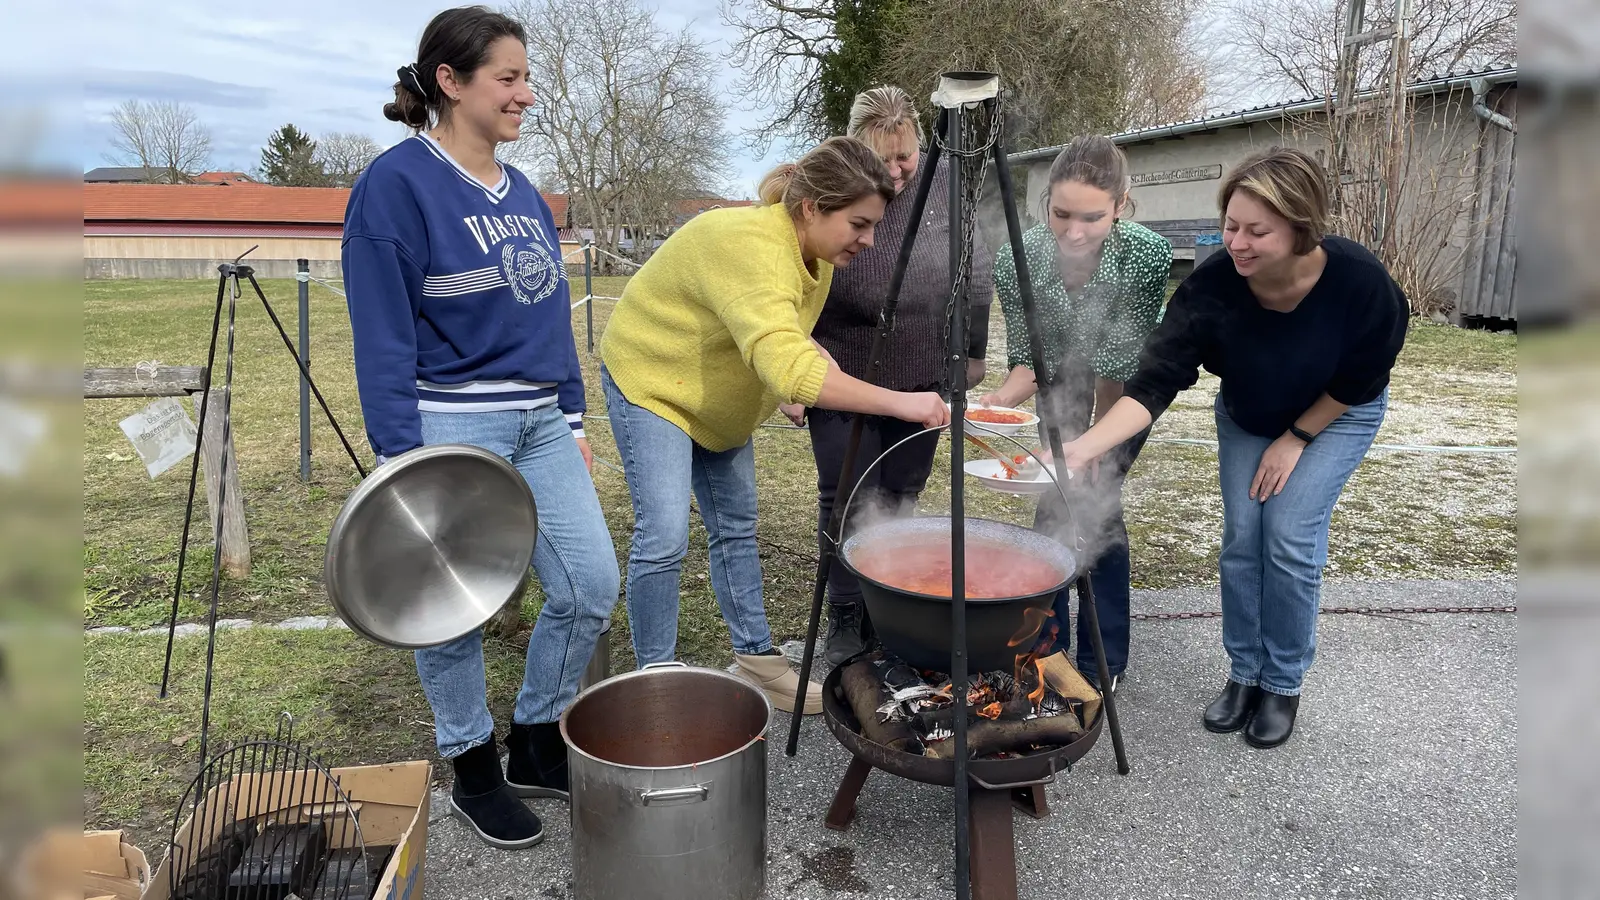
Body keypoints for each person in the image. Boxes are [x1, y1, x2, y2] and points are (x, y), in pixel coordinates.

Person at [341, 5, 619, 850]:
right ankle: (472, 767)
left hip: (539, 421)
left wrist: (571, 413)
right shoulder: (396, 186)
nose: (527, 94)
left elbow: (547, 316)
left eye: (527, 77)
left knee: (588, 586)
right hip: (450, 427)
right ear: (450, 82)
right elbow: (382, 335)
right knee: (451, 608)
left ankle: (536, 740)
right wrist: (401, 457)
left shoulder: (524, 191)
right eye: (509, 76)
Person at [1052, 147, 1408, 749]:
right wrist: (1084, 448)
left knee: (1289, 535)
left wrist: (1296, 438)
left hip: (1336, 413)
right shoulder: (1214, 285)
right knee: (1244, 537)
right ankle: (1245, 674)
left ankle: (1283, 683)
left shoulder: (1360, 283)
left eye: (1257, 231)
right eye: (1231, 226)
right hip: (1249, 413)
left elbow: (1362, 378)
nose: (1236, 243)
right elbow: (1156, 379)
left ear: (1301, 227)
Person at [598, 136, 951, 714]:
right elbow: (785, 364)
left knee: (736, 527)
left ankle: (758, 663)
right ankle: (654, 680)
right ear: (811, 206)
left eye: (873, 227)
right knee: (664, 536)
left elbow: (775, 322)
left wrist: (812, 354)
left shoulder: (813, 255)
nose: (868, 241)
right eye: (858, 225)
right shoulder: (750, 244)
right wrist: (903, 402)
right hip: (654, 381)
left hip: (717, 395)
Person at [785, 85, 993, 666]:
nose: (897, 171)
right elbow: (791, 279)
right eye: (883, 158)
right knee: (846, 496)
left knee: (901, 494)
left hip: (922, 372)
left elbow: (975, 269)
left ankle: (888, 601)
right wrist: (794, 371)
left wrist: (971, 354)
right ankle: (846, 610)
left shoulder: (946, 185)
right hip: (843, 371)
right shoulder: (830, 183)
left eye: (905, 156)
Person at [981, 135, 1172, 694]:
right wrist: (991, 408)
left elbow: (1114, 374)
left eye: (1092, 217)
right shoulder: (1022, 253)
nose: (1074, 232)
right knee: (1052, 509)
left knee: (1095, 507)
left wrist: (1094, 450)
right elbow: (1028, 364)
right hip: (1060, 380)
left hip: (1125, 392)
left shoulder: (1145, 253)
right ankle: (1048, 650)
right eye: (1061, 214)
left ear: (1121, 204)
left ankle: (1101, 662)